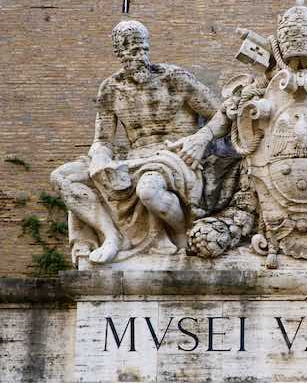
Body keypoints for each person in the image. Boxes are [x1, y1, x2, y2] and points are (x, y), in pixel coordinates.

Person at [51, 20, 229, 264]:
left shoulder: (175, 79)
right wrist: (101, 158)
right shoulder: (111, 90)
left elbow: (224, 113)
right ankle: (111, 236)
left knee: (148, 190)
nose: (142, 57)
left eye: (145, 49)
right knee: (63, 177)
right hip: (133, 159)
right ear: (120, 54)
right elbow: (102, 140)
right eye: (134, 52)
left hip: (175, 156)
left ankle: (180, 235)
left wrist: (201, 139)